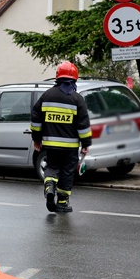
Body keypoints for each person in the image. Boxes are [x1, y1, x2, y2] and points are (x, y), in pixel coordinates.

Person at [30, 61, 92, 213]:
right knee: (67, 172)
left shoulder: (46, 96)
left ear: (58, 77)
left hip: (51, 144)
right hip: (70, 147)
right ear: (74, 79)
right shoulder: (77, 99)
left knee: (52, 167)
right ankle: (62, 202)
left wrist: (36, 138)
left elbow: (35, 117)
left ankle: (49, 186)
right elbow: (83, 124)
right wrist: (86, 143)